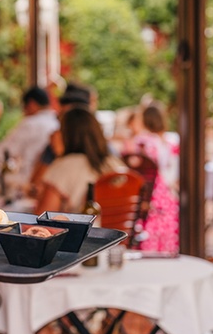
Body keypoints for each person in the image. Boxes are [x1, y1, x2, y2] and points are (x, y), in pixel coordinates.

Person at [35, 107, 127, 214]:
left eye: (60, 129)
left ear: (68, 134)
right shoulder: (115, 163)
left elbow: (44, 215)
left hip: (83, 225)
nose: (54, 134)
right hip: (117, 225)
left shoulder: (64, 166)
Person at [0, 86, 59, 202]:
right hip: (50, 185)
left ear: (31, 104)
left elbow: (3, 151)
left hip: (30, 183)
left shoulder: (30, 123)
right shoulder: (57, 122)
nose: (23, 112)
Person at [129, 104, 180, 253]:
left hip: (148, 194)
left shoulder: (142, 141)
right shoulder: (169, 142)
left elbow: (135, 168)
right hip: (166, 194)